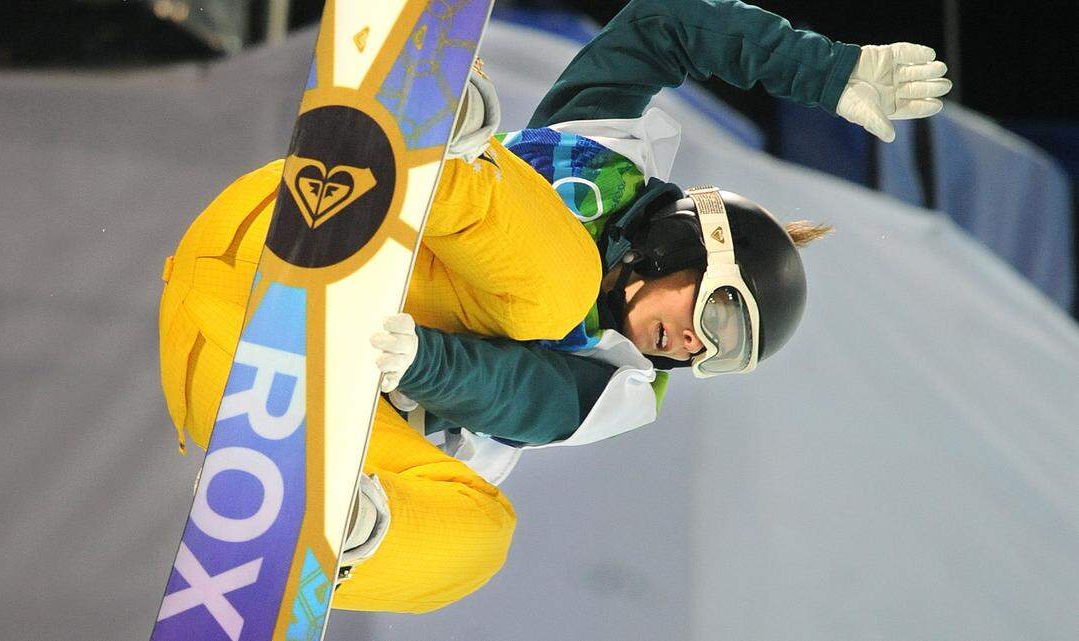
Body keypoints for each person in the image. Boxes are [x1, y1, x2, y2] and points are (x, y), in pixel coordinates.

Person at [158, 0, 950, 615]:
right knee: (562, 286)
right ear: (686, 250)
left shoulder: (624, 386)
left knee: (482, 536)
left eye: (721, 357)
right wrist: (826, 71)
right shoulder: (596, 151)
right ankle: (431, 150)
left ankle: (331, 530)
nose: (694, 349)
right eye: (718, 318)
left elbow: (524, 395)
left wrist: (423, 367)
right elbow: (665, 26)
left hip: (231, 367)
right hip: (301, 220)